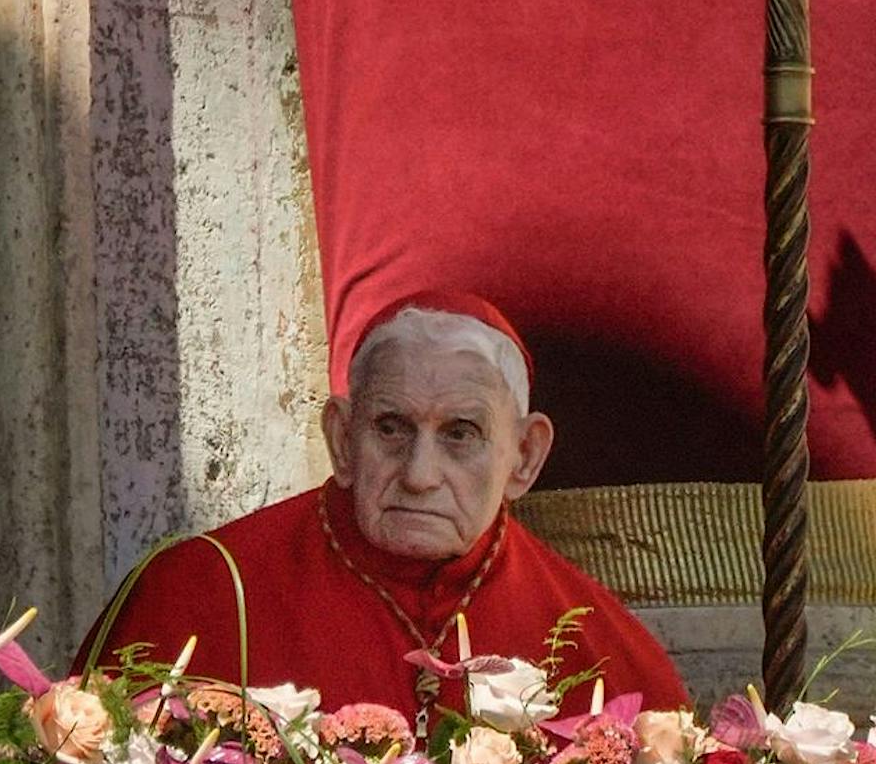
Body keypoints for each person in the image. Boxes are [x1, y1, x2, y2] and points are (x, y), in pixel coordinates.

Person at [81, 291, 685, 720]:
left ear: (524, 457)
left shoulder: (606, 652)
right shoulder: (199, 594)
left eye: (460, 434)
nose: (420, 477)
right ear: (343, 439)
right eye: (391, 428)